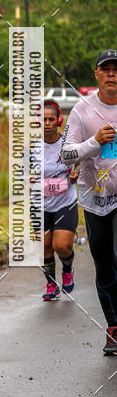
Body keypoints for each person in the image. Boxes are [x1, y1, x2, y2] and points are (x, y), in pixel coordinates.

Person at [61, 51, 117, 354]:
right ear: (96, 74)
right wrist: (95, 141)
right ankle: (113, 327)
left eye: (116, 70)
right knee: (105, 264)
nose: (112, 74)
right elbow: (65, 155)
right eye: (105, 69)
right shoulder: (82, 111)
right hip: (96, 201)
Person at [40, 100, 79, 300]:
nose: (47, 123)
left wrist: (76, 173)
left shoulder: (67, 145)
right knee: (45, 245)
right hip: (41, 205)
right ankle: (50, 285)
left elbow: (81, 162)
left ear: (58, 121)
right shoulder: (32, 149)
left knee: (61, 246)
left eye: (51, 119)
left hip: (65, 202)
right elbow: (21, 174)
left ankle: (67, 268)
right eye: (43, 119)